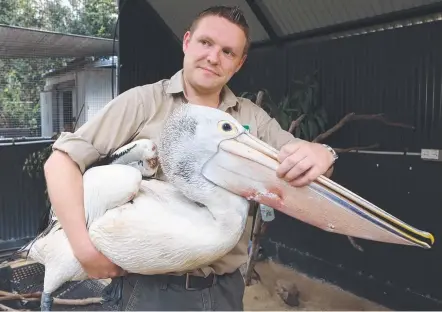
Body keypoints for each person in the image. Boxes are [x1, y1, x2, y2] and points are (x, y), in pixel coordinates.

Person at [43, 5, 337, 311]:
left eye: (227, 52)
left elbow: (300, 163)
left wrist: (322, 154)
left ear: (239, 63)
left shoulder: (251, 119)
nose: (213, 57)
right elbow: (61, 162)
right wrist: (83, 249)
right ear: (186, 42)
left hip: (224, 291)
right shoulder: (144, 103)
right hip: (150, 292)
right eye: (206, 43)